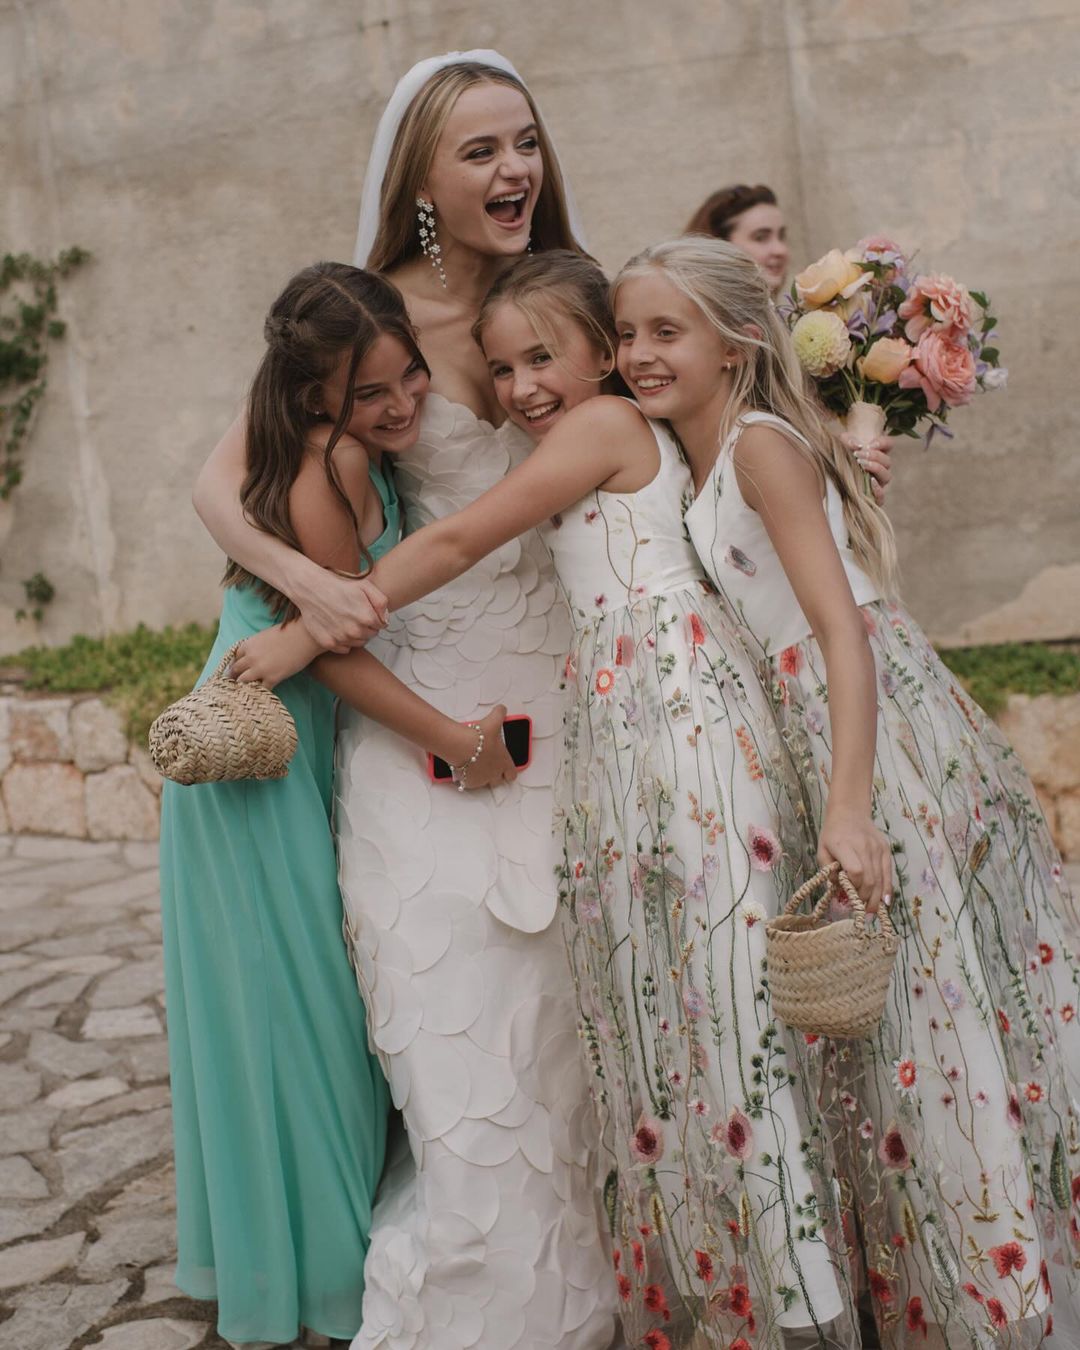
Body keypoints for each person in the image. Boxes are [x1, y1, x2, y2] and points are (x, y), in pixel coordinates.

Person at [238, 248, 867, 1347]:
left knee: (724, 995)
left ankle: (800, 1295)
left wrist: (303, 629)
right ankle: (752, 1273)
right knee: (688, 1001)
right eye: (500, 367)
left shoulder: (608, 427)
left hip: (683, 728)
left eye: (547, 357)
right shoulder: (613, 428)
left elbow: (460, 535)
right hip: (636, 730)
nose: (523, 386)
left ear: (605, 354)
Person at [191, 53, 618, 1350]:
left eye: (526, 142)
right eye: (481, 150)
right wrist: (301, 590)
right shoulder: (367, 318)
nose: (514, 171)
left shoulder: (577, 294)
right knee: (461, 1003)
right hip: (423, 686)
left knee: (585, 1002)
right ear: (422, 179)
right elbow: (222, 482)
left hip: (574, 683)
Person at [614, 235, 1080, 1347]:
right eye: (626, 333)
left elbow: (841, 631)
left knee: (931, 1003)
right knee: (896, 1019)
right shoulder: (711, 450)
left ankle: (995, 1292)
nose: (636, 353)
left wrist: (849, 804)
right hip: (814, 721)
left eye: (663, 332)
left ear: (734, 344)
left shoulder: (761, 445)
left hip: (861, 722)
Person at [160, 262, 518, 1350]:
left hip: (301, 731)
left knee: (304, 1004)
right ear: (321, 398)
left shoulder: (345, 442)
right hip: (262, 749)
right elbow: (328, 656)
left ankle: (293, 1250)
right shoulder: (332, 462)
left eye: (410, 376)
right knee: (294, 1016)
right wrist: (454, 742)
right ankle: (310, 1276)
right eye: (374, 393)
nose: (404, 403)